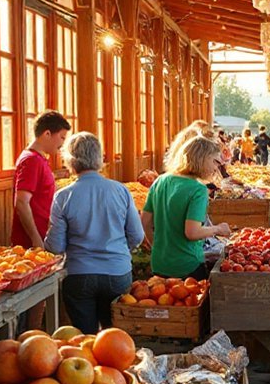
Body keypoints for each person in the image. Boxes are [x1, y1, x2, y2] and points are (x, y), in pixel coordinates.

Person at [45, 133, 143, 333]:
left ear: (70, 160)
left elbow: (55, 247)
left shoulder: (63, 196)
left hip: (79, 274)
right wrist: (120, 249)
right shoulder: (121, 191)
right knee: (114, 337)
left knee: (85, 339)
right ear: (100, 158)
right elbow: (137, 236)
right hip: (117, 272)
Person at [142, 136, 232, 279]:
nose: (216, 168)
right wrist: (218, 229)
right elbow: (192, 232)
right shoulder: (198, 190)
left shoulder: (160, 180)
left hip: (159, 263)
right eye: (215, 162)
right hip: (187, 266)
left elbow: (145, 222)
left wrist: (157, 247)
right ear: (201, 158)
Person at [11, 110, 71, 249]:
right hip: (32, 243)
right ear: (47, 134)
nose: (62, 143)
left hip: (45, 235)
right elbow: (21, 202)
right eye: (62, 137)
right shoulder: (31, 160)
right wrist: (35, 238)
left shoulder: (39, 158)